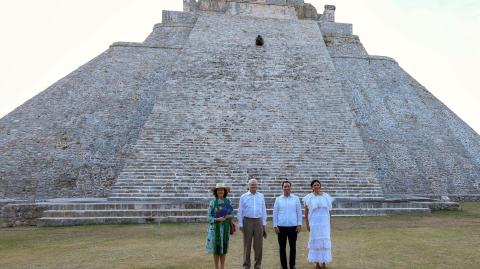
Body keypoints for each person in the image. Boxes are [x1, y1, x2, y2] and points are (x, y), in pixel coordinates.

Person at [303, 180, 334, 269]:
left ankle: (324, 263)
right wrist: (307, 224)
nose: (316, 186)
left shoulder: (326, 197)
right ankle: (317, 263)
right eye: (314, 185)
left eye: (318, 185)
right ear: (312, 187)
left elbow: (329, 211)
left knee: (324, 242)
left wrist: (329, 221)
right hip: (314, 224)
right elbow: (306, 212)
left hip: (324, 224)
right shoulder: (308, 198)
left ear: (320, 186)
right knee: (316, 242)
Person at [237, 178, 267, 269]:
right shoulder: (243, 196)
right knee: (247, 244)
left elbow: (263, 210)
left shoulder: (261, 196)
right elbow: (240, 211)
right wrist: (240, 224)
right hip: (247, 221)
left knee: (258, 245)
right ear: (248, 186)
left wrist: (264, 223)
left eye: (255, 184)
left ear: (257, 185)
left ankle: (257, 265)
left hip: (258, 221)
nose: (253, 186)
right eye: (252, 184)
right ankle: (246, 265)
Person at [273, 180, 302, 269]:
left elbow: (299, 212)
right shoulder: (278, 199)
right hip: (281, 226)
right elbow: (275, 212)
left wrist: (299, 224)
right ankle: (283, 265)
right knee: (282, 248)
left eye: (288, 186)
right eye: (285, 186)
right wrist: (275, 225)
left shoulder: (296, 198)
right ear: (282, 188)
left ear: (290, 188)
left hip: (293, 226)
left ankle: (292, 265)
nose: (286, 188)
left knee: (293, 247)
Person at [206, 183, 234, 269]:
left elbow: (232, 214)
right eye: (218, 190)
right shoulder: (212, 202)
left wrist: (226, 216)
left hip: (225, 228)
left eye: (222, 189)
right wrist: (217, 219)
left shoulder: (228, 201)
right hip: (215, 229)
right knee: (216, 248)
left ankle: (222, 267)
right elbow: (208, 217)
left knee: (224, 248)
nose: (220, 191)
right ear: (216, 192)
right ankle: (216, 267)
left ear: (224, 191)